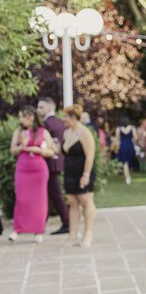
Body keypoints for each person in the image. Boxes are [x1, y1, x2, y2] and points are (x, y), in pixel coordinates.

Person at [8, 106, 55, 243]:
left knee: (39, 201)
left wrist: (39, 150)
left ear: (31, 117)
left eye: (23, 116)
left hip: (39, 170)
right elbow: (12, 150)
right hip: (23, 169)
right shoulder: (19, 131)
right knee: (21, 199)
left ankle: (38, 230)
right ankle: (17, 229)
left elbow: (51, 151)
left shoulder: (43, 132)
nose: (20, 119)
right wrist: (21, 147)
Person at [62, 104, 97, 248]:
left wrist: (86, 175)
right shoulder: (67, 133)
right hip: (69, 172)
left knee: (85, 200)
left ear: (72, 117)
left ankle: (88, 233)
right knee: (72, 202)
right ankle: (72, 235)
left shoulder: (85, 133)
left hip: (83, 171)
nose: (63, 119)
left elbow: (90, 156)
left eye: (65, 117)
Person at [37, 97, 70, 235]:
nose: (38, 110)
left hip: (49, 162)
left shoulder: (45, 124)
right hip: (58, 161)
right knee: (51, 194)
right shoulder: (61, 123)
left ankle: (67, 222)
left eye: (41, 107)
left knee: (55, 194)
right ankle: (40, 224)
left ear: (50, 107)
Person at [115, 116, 138, 185]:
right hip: (130, 145)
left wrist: (116, 148)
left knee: (124, 163)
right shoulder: (132, 128)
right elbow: (136, 138)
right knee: (129, 161)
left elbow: (117, 139)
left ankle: (127, 178)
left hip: (122, 146)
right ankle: (128, 177)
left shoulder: (118, 128)